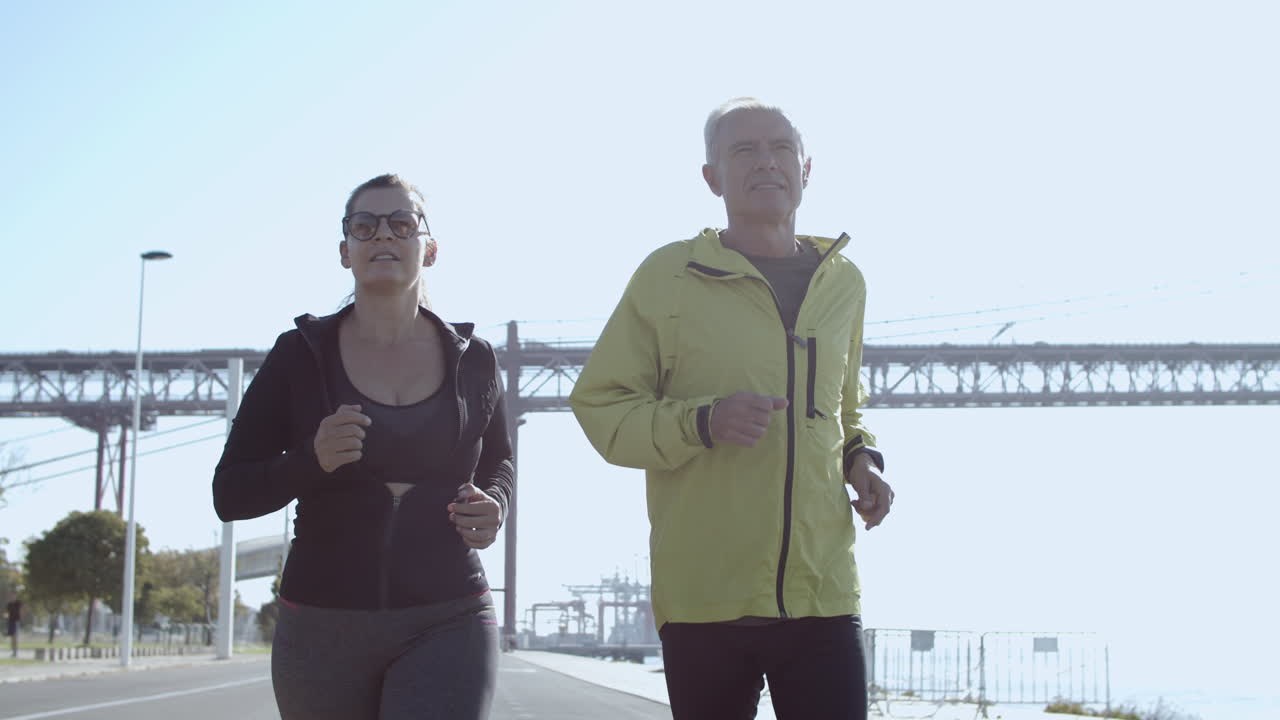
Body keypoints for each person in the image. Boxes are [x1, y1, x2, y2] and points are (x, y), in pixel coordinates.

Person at [569, 98, 895, 720]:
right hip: (705, 598)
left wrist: (861, 460)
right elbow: (601, 407)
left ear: (806, 169)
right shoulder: (667, 276)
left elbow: (845, 405)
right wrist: (702, 422)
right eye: (743, 150)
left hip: (823, 591)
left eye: (779, 148)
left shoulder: (845, 283)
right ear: (711, 177)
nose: (765, 162)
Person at [213, 173, 513, 720]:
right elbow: (230, 493)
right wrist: (311, 459)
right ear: (345, 252)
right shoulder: (299, 355)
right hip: (323, 624)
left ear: (431, 248)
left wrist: (496, 505)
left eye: (403, 223)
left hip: (450, 614)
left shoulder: (476, 359)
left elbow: (499, 461)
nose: (383, 236)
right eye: (364, 225)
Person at [6, 593, 20, 658]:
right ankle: (13, 651)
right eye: (11, 596)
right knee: (12, 637)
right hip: (10, 622)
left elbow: (23, 610)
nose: (12, 597)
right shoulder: (9, 604)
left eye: (14, 596)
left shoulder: (18, 603)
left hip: (16, 622)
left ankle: (15, 652)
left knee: (15, 637)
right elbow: (7, 613)